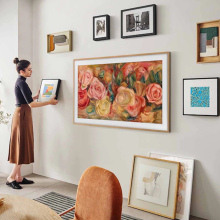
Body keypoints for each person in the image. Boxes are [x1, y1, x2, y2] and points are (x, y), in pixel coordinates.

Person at [7, 58, 58, 189]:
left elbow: (27, 99)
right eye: (29, 69)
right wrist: (49, 102)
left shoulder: (22, 82)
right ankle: (11, 177)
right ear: (22, 71)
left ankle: (18, 177)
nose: (31, 71)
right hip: (22, 114)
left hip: (23, 114)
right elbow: (32, 104)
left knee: (22, 145)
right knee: (21, 145)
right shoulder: (22, 83)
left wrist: (35, 96)